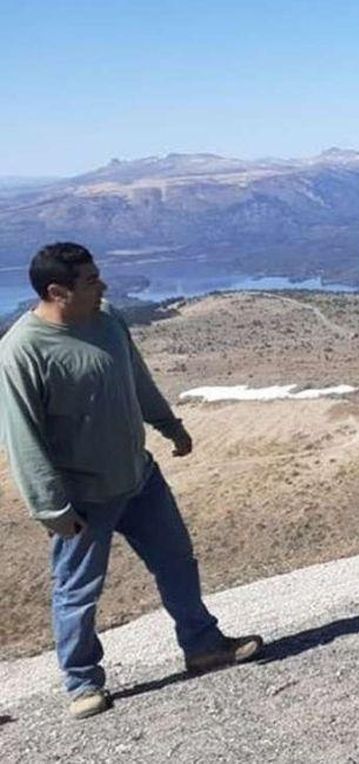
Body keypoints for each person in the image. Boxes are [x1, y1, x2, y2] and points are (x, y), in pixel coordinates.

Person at [0, 243, 263, 720]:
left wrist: (169, 425)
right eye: (91, 281)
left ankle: (204, 647)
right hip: (82, 498)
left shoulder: (108, 320)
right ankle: (82, 684)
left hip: (139, 479)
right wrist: (50, 507)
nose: (103, 286)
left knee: (177, 561)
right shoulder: (21, 351)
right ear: (57, 291)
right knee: (77, 591)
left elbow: (136, 379)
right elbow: (22, 437)